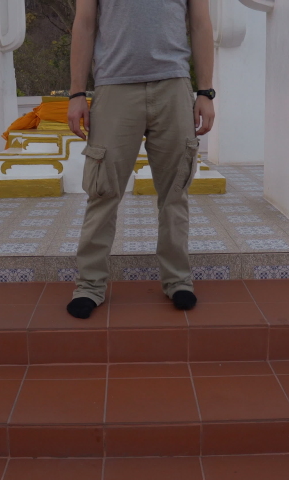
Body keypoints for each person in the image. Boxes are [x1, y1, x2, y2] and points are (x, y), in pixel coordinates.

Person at [65, 0, 216, 319]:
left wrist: (206, 91)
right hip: (114, 88)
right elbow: (85, 23)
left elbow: (201, 24)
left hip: (173, 87)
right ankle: (90, 285)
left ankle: (178, 280)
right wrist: (77, 93)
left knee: (175, 191)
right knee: (102, 190)